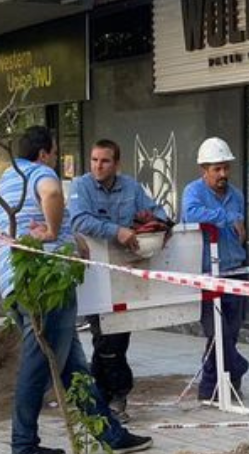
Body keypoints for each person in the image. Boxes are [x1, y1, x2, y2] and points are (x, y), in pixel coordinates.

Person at [0, 126, 152, 454]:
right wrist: (53, 233)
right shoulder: (41, 173)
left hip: (19, 282)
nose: (54, 159)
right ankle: (23, 444)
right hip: (45, 284)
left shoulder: (9, 177)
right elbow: (51, 194)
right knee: (37, 366)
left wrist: (69, 238)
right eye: (53, 152)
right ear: (44, 153)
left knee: (73, 367)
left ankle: (112, 436)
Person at [68, 138, 170, 424]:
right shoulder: (81, 186)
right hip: (96, 275)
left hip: (126, 274)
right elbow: (79, 221)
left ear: (117, 164)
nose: (98, 166)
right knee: (106, 337)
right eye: (94, 160)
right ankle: (116, 395)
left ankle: (101, 397)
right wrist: (119, 231)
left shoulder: (131, 187)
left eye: (105, 161)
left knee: (116, 336)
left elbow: (156, 211)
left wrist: (158, 225)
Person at [182, 137, 249, 402]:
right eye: (216, 169)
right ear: (204, 170)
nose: (223, 174)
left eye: (226, 168)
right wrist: (227, 218)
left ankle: (213, 387)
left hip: (235, 270)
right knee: (216, 332)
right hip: (208, 274)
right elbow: (191, 214)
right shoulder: (193, 192)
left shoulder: (237, 195)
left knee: (230, 332)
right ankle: (238, 367)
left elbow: (240, 228)